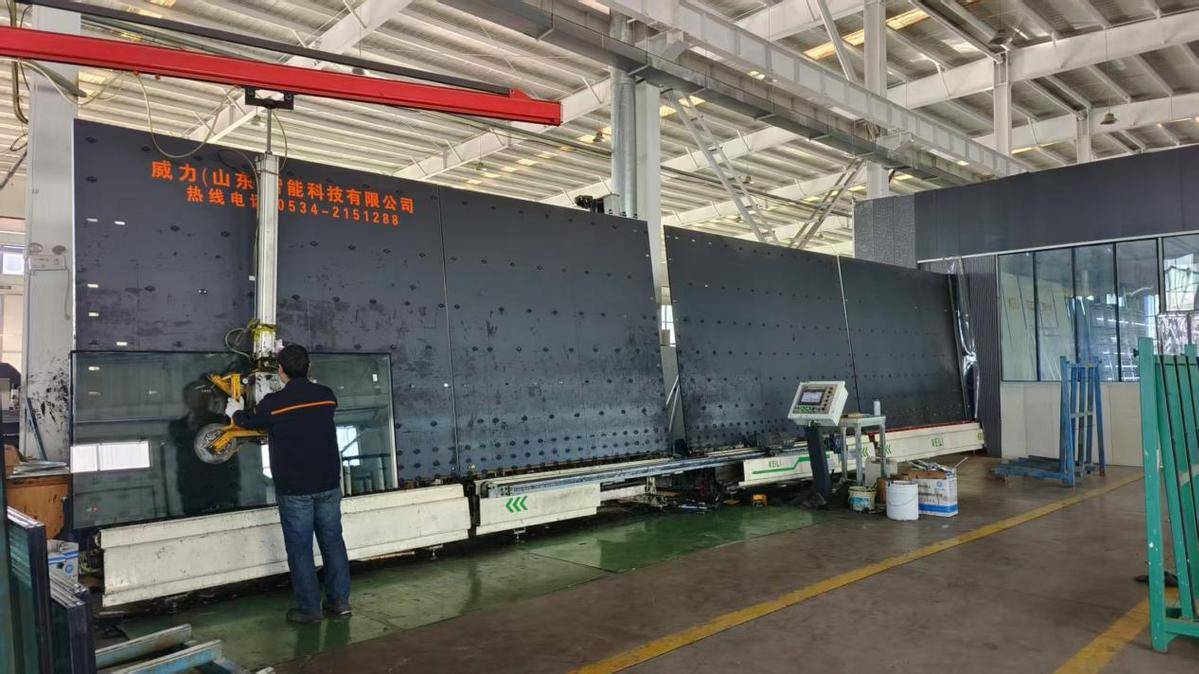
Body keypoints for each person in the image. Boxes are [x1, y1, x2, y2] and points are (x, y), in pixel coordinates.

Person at [226, 344, 351, 624]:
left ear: (280, 371)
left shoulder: (274, 403)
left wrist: (235, 411)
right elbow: (313, 408)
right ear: (309, 367)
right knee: (333, 544)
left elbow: (252, 421)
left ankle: (310, 610)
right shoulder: (326, 396)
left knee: (300, 550)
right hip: (328, 485)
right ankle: (340, 603)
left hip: (295, 490)